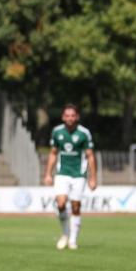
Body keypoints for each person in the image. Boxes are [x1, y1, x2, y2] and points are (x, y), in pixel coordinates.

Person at [43, 104, 97, 250]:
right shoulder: (57, 132)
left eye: (73, 115)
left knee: (75, 206)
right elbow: (53, 153)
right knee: (60, 204)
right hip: (62, 173)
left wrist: (93, 178)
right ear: (63, 117)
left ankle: (73, 239)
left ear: (77, 117)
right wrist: (48, 173)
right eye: (67, 115)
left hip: (79, 174)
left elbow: (90, 156)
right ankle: (65, 233)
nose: (70, 118)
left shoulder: (84, 133)